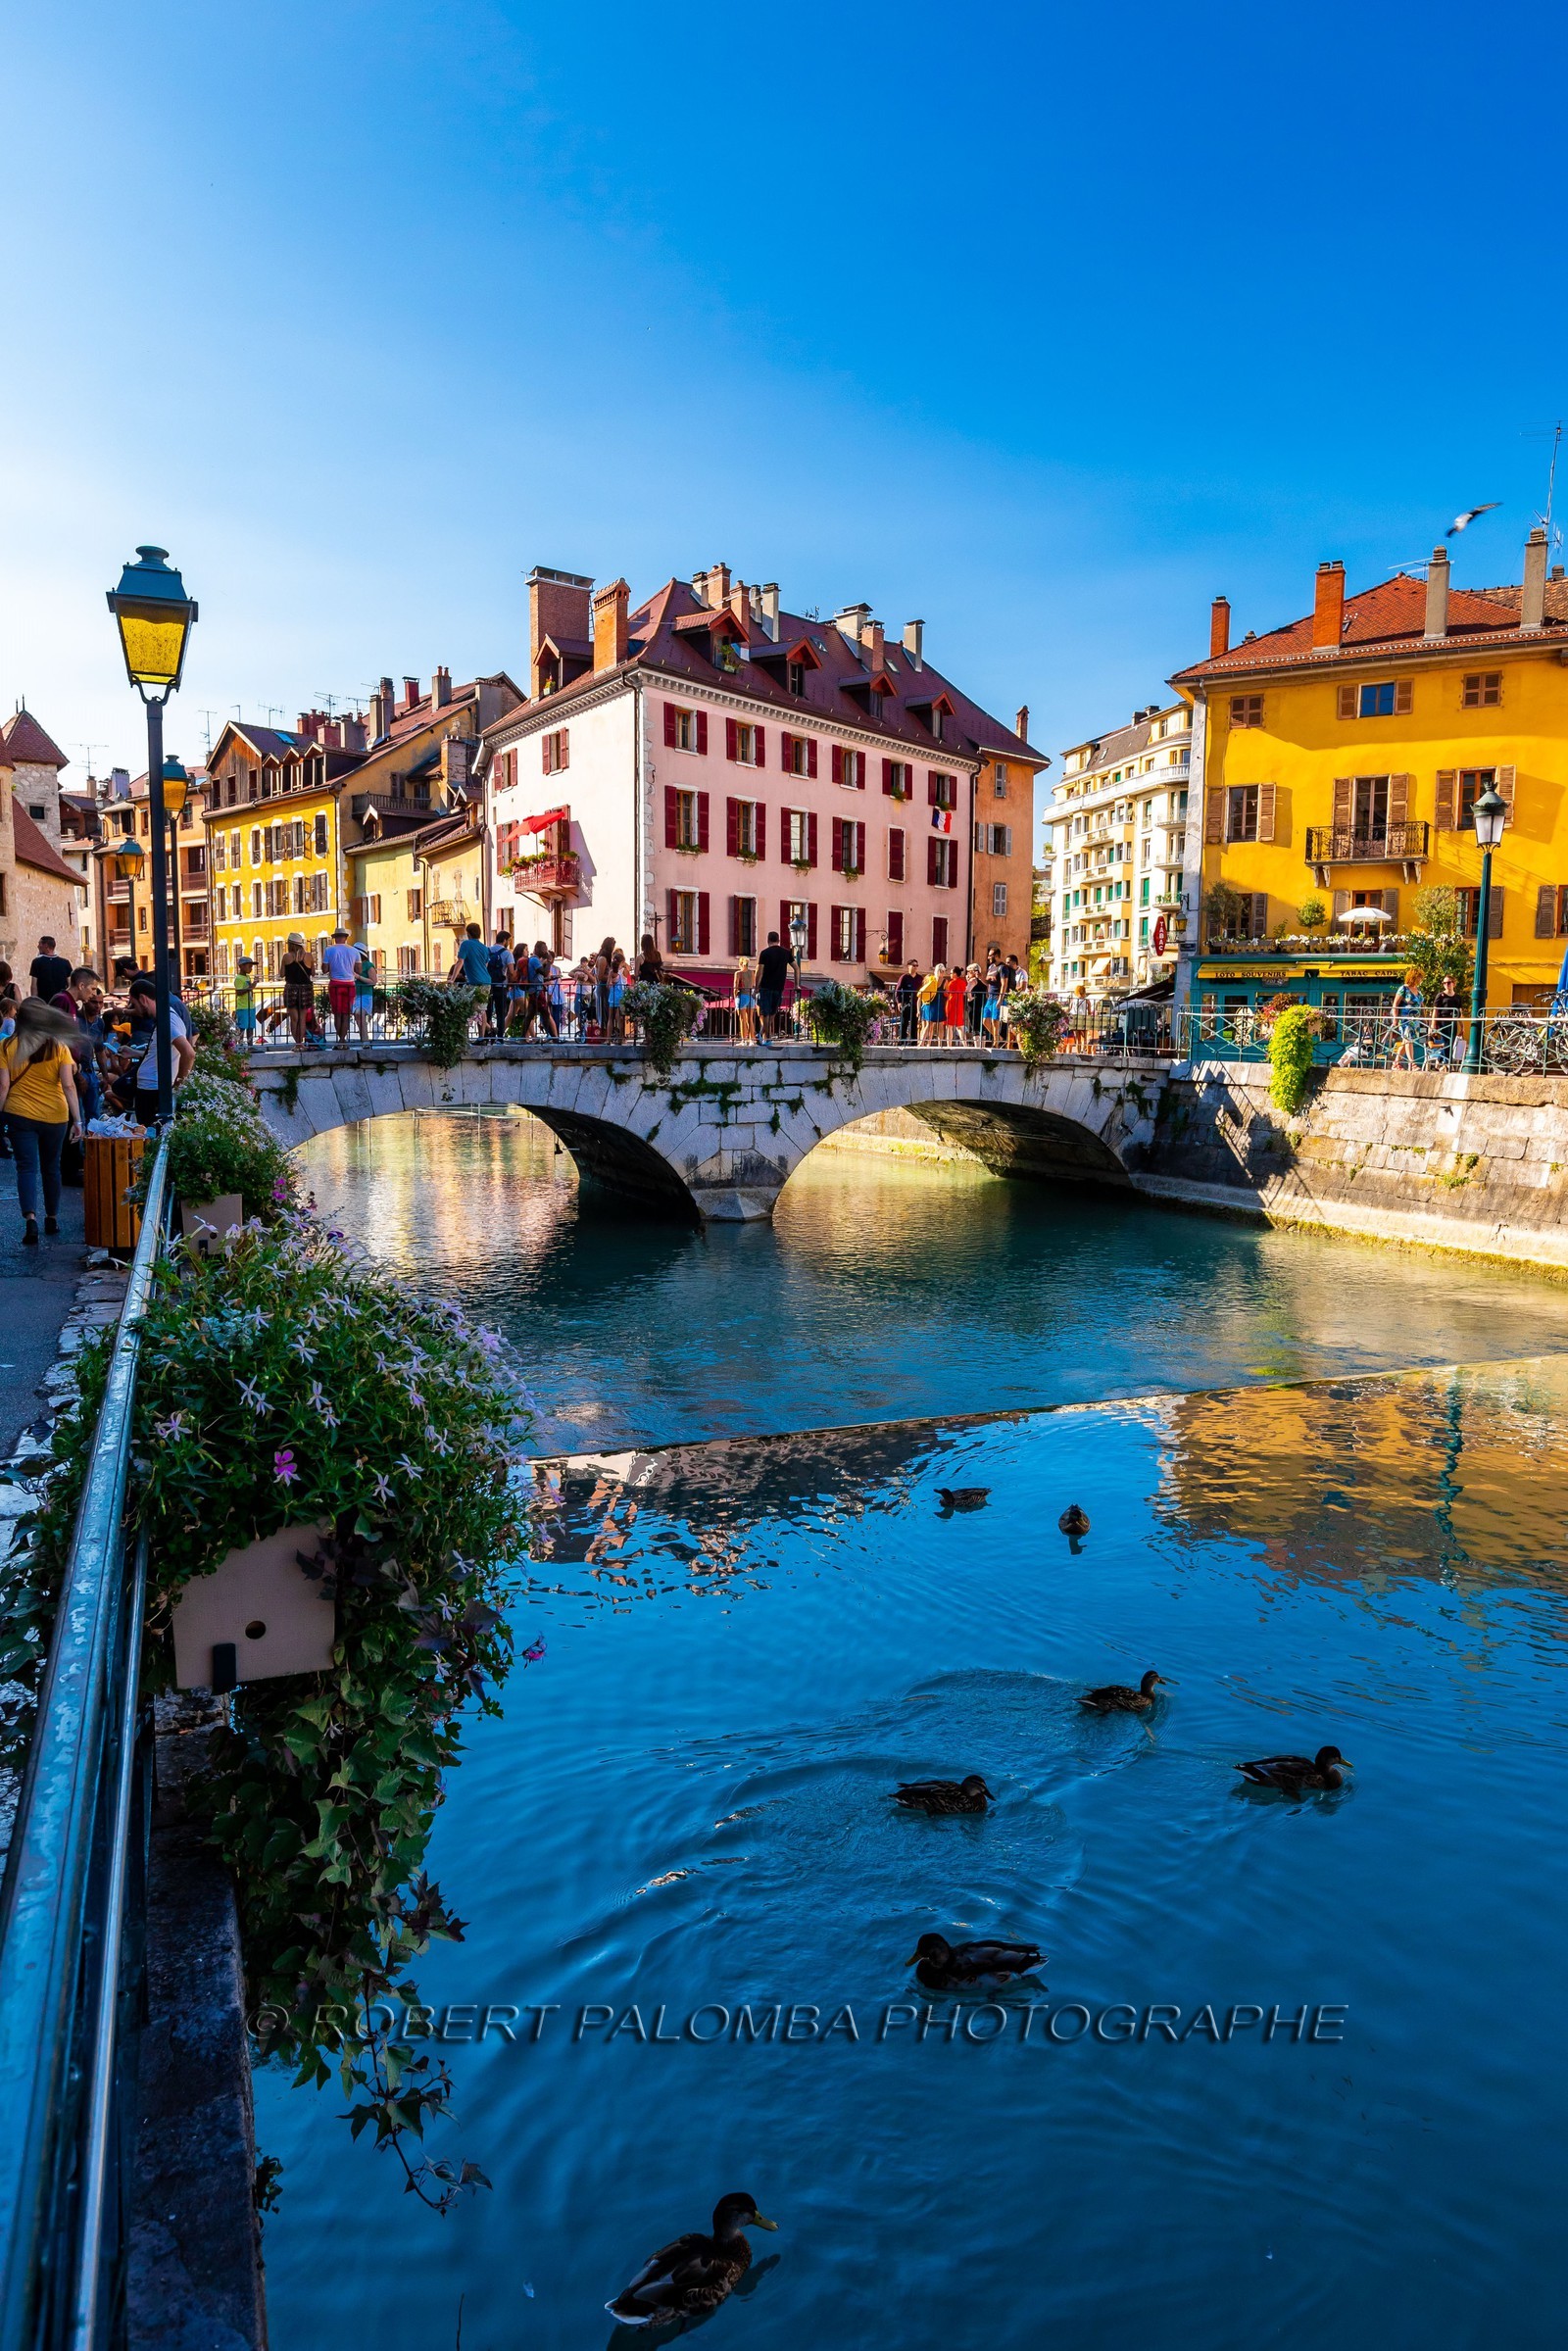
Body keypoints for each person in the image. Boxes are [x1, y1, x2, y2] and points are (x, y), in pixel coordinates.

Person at [0, 1000, 83, 1241]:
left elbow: (4, 1085)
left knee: (26, 1168)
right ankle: (52, 1218)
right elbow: (68, 1085)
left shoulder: (7, 1047)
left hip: (19, 1113)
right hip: (55, 1115)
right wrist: (77, 1120)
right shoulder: (58, 1047)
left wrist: (1, 1114)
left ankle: (31, 1220)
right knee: (51, 1167)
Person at [118, 978, 196, 1123]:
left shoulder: (168, 1021)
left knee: (151, 1135)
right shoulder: (165, 1018)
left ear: (143, 999)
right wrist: (135, 1053)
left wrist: (179, 1084)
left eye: (134, 1005)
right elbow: (165, 1052)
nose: (134, 1010)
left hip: (153, 1090)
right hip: (151, 1088)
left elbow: (189, 1053)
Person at [321, 926, 360, 1044]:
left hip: (335, 984)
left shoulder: (329, 950)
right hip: (349, 984)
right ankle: (344, 1040)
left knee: (337, 1013)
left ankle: (340, 1039)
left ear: (335, 938)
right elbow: (358, 969)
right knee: (346, 1013)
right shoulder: (354, 951)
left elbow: (325, 970)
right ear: (346, 938)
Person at [755, 931, 792, 1044]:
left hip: (766, 986)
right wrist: (797, 984)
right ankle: (762, 1035)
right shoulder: (786, 953)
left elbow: (759, 971)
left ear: (768, 940)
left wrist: (756, 986)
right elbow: (796, 967)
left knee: (765, 1013)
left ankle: (766, 1037)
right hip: (779, 986)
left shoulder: (765, 953)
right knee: (772, 1013)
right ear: (778, 940)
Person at [281, 934, 316, 1049]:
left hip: (291, 989)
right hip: (305, 989)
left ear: (290, 944)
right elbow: (313, 973)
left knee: (294, 1019)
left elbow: (282, 974)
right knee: (302, 1019)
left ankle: (296, 1044)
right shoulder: (309, 956)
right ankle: (300, 1044)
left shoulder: (286, 957)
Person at [1390, 967, 1424, 1071]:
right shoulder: (1403, 989)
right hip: (1405, 1019)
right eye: (1419, 977)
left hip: (1415, 1020)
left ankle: (1395, 1063)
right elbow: (1395, 1004)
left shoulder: (1418, 990)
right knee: (1408, 1039)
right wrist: (1395, 1018)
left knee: (1406, 1042)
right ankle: (1412, 1063)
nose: (1420, 980)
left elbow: (1422, 1006)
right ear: (1414, 977)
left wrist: (1425, 1019)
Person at [1429, 970, 1461, 1065]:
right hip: (1443, 1021)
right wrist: (1433, 1024)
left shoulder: (1457, 997)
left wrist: (1462, 1026)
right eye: (1444, 983)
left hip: (1453, 1021)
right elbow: (1436, 1010)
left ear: (1453, 984)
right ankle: (1447, 1063)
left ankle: (1439, 1059)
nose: (1446, 984)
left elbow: (1460, 1012)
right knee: (1447, 1042)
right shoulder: (1441, 995)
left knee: (1451, 1042)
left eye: (1448, 982)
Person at [486, 931, 514, 1039]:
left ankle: (486, 1036)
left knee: (487, 1012)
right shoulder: (507, 953)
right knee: (501, 1013)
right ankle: (500, 1037)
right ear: (505, 940)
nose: (508, 943)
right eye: (508, 941)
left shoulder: (488, 950)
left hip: (488, 985)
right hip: (501, 985)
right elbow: (511, 971)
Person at [29, 937, 72, 1003]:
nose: (38, 946)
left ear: (46, 946)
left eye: (40, 944)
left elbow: (34, 986)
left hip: (44, 1003)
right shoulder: (65, 963)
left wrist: (34, 1003)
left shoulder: (37, 962)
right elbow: (70, 985)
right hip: (61, 1002)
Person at [455, 922, 493, 993]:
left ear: (468, 933)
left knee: (472, 1003)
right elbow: (485, 965)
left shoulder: (466, 944)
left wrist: (452, 979)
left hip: (475, 982)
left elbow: (460, 962)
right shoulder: (484, 947)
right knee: (482, 1003)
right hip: (487, 981)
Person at [233, 956, 259, 1049]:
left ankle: (250, 1045)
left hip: (250, 1006)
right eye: (249, 966)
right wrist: (251, 987)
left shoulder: (247, 977)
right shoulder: (239, 978)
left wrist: (252, 986)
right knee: (242, 1027)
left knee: (250, 1026)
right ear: (242, 966)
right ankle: (240, 1044)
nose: (251, 968)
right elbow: (239, 992)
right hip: (243, 1007)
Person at [353, 943, 376, 1044]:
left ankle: (365, 1040)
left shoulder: (368, 965)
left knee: (359, 1014)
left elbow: (373, 981)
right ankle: (364, 1039)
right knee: (358, 1016)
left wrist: (358, 977)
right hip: (355, 995)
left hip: (366, 995)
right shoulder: (353, 964)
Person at [734, 955, 758, 1047]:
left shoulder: (738, 973)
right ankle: (752, 1040)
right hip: (751, 996)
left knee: (742, 1019)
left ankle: (743, 1040)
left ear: (740, 964)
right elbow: (753, 984)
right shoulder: (752, 973)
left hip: (742, 996)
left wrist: (734, 996)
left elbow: (735, 986)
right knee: (750, 1019)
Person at [918, 963, 945, 1044]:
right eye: (943, 971)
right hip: (938, 1003)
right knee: (937, 1025)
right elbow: (947, 992)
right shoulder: (944, 981)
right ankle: (939, 1044)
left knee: (929, 1024)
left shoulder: (931, 979)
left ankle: (922, 1043)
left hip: (931, 1003)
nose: (944, 973)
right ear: (939, 971)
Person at [896, 959, 920, 1045]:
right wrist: (898, 1002)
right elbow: (897, 991)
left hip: (916, 1004)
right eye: (914, 965)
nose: (915, 967)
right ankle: (902, 1041)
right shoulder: (904, 977)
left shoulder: (920, 978)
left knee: (914, 1024)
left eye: (917, 966)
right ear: (908, 966)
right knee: (904, 1023)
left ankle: (914, 1043)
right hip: (905, 1003)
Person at [943, 963, 968, 1045]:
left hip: (951, 1004)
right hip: (959, 1005)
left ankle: (949, 1044)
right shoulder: (963, 983)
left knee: (949, 1026)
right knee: (960, 1026)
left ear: (954, 974)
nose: (950, 974)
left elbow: (946, 994)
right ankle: (965, 1044)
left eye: (951, 973)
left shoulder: (951, 983)